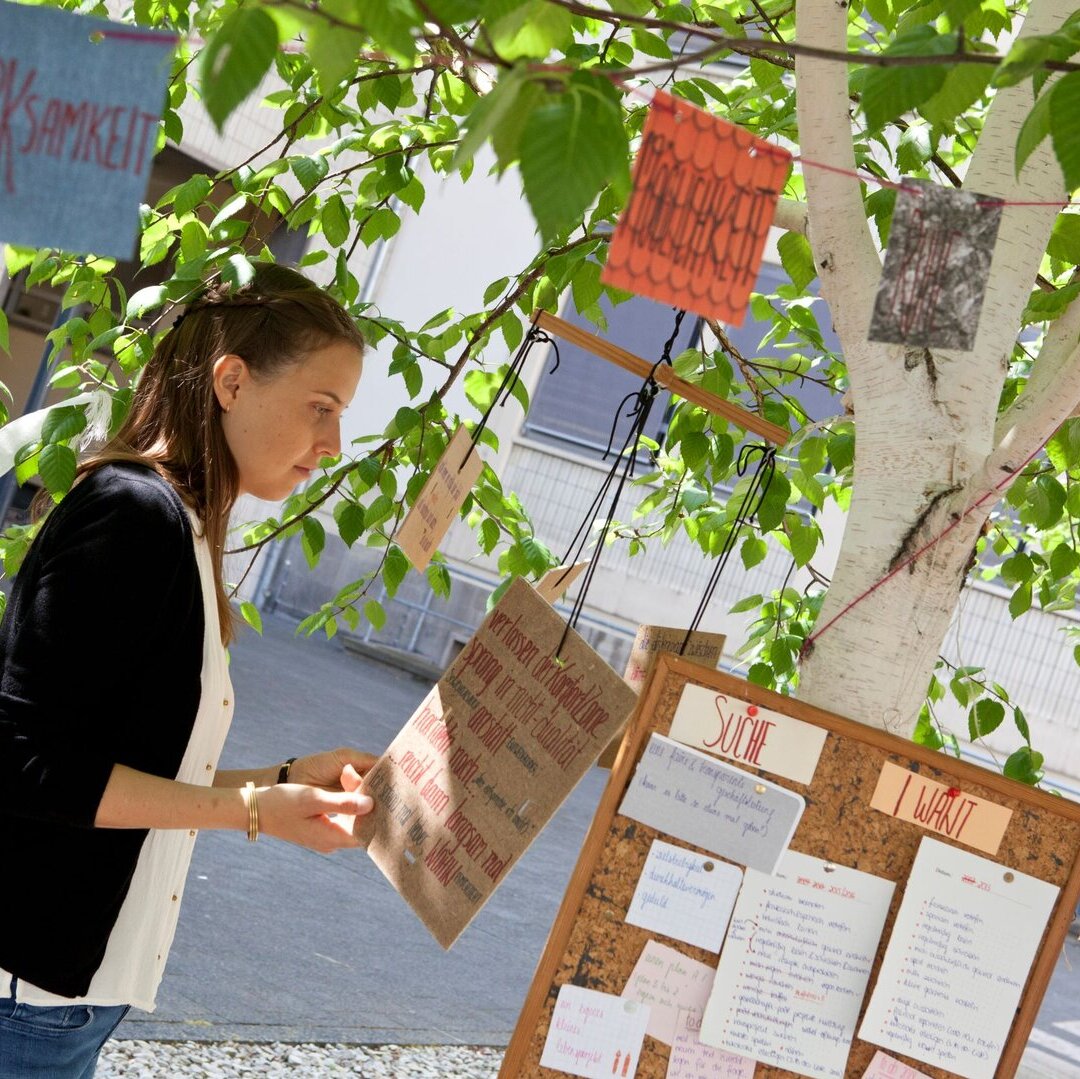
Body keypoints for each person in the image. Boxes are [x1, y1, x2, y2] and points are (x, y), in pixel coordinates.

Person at [0, 262, 377, 1078]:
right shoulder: (132, 515)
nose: (333, 445)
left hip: (66, 1000)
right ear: (231, 382)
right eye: (323, 407)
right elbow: (26, 763)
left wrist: (282, 778)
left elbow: (126, 767)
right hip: (23, 998)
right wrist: (250, 810)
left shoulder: (181, 526)